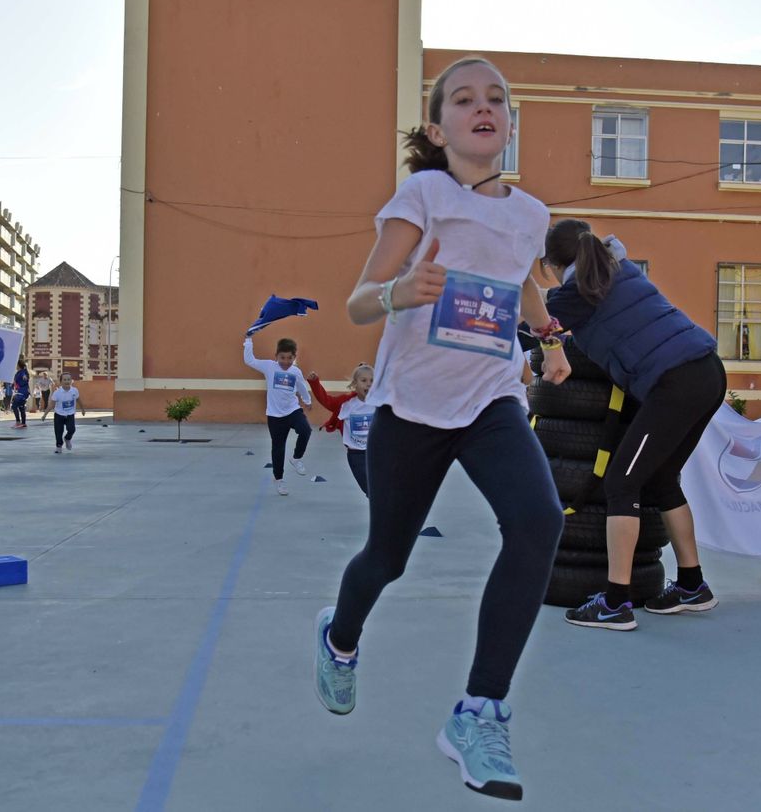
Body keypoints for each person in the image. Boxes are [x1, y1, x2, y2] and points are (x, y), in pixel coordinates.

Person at [314, 57, 568, 801]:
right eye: (464, 99)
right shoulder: (423, 195)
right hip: (412, 405)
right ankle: (340, 636)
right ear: (438, 127)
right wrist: (399, 291)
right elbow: (360, 302)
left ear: (511, 124)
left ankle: (479, 710)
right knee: (386, 559)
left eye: (496, 100)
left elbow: (521, 278)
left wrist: (548, 339)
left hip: (490, 400)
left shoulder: (529, 214)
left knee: (539, 521)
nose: (482, 108)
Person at [542, 216, 726, 631]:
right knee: (661, 480)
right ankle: (693, 586)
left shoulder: (575, 293)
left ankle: (615, 602)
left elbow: (530, 325)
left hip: (675, 381)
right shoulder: (617, 268)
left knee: (621, 483)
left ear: (553, 263)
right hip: (707, 371)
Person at [243, 335, 313, 496]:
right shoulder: (269, 366)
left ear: (295, 357)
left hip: (293, 411)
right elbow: (250, 360)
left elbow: (302, 387)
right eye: (282, 357)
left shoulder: (295, 371)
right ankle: (279, 479)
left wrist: (307, 401)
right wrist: (248, 340)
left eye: (290, 358)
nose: (286, 361)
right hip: (275, 416)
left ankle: (296, 459)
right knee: (278, 448)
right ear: (276, 356)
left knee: (305, 430)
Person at [306, 365, 377, 496]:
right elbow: (326, 401)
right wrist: (315, 383)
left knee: (381, 487)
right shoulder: (346, 403)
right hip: (356, 455)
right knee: (370, 489)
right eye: (364, 380)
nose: (368, 384)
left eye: (372, 381)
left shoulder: (379, 404)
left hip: (376, 453)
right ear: (355, 384)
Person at [50, 373, 84, 453]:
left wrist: (82, 409)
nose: (67, 381)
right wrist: (45, 414)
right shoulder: (57, 393)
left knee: (72, 429)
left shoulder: (74, 391)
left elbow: (78, 400)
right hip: (59, 414)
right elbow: (52, 404)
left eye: (68, 379)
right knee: (58, 431)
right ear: (61, 382)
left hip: (70, 414)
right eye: (64, 380)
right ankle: (59, 446)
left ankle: (67, 439)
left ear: (71, 381)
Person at [10, 359, 30, 429]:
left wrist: (17, 385)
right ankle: (23, 423)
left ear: (18, 365)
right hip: (21, 391)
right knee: (21, 407)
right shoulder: (20, 372)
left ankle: (18, 422)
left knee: (14, 406)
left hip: (22, 392)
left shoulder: (23, 373)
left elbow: (24, 381)